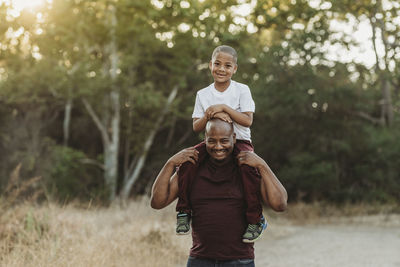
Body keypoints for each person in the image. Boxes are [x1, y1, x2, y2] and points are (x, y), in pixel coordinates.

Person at [151, 118, 288, 267]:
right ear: (205, 139)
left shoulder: (247, 169)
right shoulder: (192, 168)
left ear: (234, 138)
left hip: (240, 261)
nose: (218, 147)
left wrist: (262, 165)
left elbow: (279, 204)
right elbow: (157, 202)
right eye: (212, 141)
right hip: (199, 260)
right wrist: (170, 163)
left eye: (224, 141)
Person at [176, 45, 264, 243]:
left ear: (235, 69)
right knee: (188, 160)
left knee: (249, 170)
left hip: (240, 141)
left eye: (227, 65)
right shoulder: (203, 94)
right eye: (217, 64)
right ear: (210, 65)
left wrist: (224, 108)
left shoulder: (242, 90)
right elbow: (196, 127)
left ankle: (255, 220)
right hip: (213, 142)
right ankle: (183, 211)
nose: (221, 69)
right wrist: (210, 113)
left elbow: (247, 120)